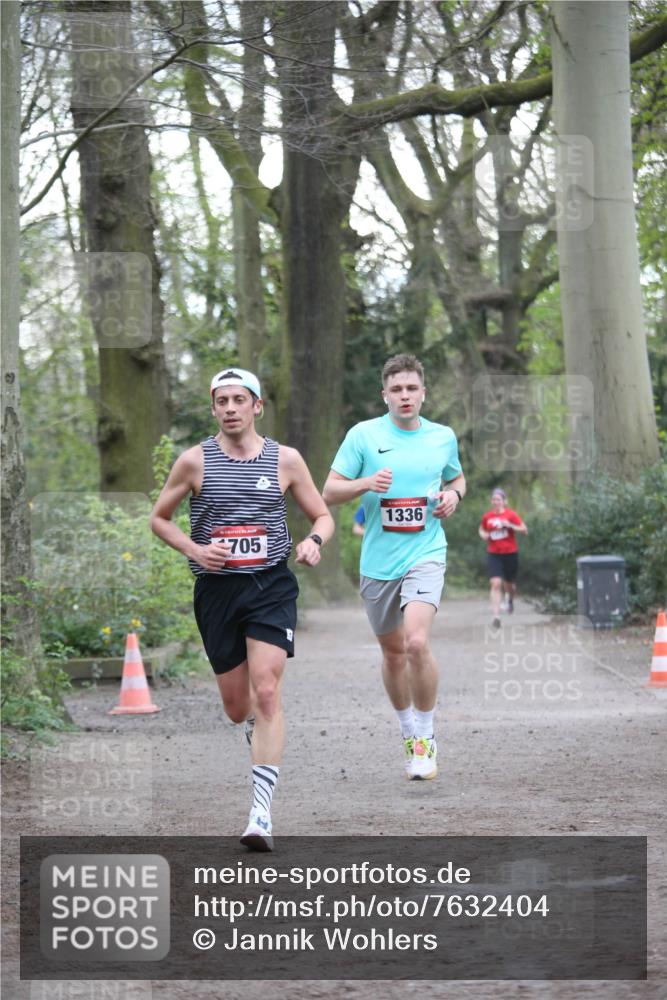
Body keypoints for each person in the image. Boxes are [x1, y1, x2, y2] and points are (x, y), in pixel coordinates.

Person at [150, 367, 334, 851]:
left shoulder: (285, 459)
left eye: (239, 399)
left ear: (257, 406)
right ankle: (254, 724)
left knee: (267, 690)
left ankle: (260, 814)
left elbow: (322, 515)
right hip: (217, 592)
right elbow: (159, 519)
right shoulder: (194, 461)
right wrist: (195, 550)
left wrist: (313, 541)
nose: (230, 408)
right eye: (222, 401)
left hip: (270, 586)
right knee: (238, 708)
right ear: (213, 408)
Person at [323, 354, 465, 781]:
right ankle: (407, 729)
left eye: (412, 388)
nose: (405, 396)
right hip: (379, 563)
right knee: (393, 652)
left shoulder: (442, 437)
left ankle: (425, 737)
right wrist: (367, 483)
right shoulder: (363, 436)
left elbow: (457, 478)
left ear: (423, 393)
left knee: (416, 643)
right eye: (397, 389)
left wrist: (454, 496)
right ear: (384, 394)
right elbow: (329, 491)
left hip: (426, 552)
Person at [478, 488, 527, 628]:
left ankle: (510, 599)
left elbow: (524, 529)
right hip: (494, 554)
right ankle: (496, 616)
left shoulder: (510, 515)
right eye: (494, 499)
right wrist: (483, 534)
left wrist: (510, 525)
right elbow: (482, 528)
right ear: (491, 501)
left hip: (510, 553)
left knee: (509, 585)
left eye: (498, 499)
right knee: (495, 583)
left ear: (504, 501)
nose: (496, 502)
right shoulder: (487, 516)